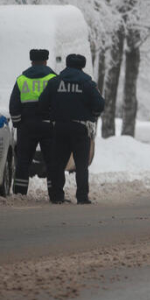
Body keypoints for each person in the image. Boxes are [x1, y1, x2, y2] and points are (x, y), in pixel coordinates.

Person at [38, 53, 105, 204]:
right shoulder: (88, 84)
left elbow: (42, 103)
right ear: (82, 66)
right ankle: (82, 197)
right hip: (80, 128)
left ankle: (56, 196)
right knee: (81, 165)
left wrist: (52, 115)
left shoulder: (55, 82)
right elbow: (100, 104)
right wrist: (92, 115)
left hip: (59, 127)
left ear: (67, 64)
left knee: (58, 163)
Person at [9, 49, 57, 195]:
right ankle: (54, 193)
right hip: (48, 126)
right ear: (46, 60)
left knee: (23, 162)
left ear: (31, 61)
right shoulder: (53, 79)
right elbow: (59, 102)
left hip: (27, 127)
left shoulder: (21, 79)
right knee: (51, 162)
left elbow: (14, 105)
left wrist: (18, 124)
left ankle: (19, 193)